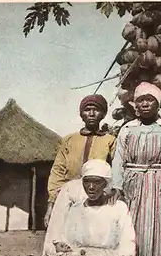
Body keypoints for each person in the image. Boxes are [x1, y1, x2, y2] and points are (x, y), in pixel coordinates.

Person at [110, 82, 161, 256]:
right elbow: (118, 160)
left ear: (158, 105)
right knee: (132, 226)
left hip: (158, 183)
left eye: (150, 100)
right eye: (141, 100)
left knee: (157, 227)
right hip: (132, 184)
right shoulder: (128, 128)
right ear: (135, 106)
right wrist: (117, 188)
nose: (145, 104)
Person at [41, 159, 136, 256]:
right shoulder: (76, 209)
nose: (91, 187)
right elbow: (66, 239)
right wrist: (62, 246)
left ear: (106, 183)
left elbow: (128, 241)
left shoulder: (118, 208)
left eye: (96, 182)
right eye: (87, 182)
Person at [44, 94, 116, 228]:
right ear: (81, 114)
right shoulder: (69, 140)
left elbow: (115, 171)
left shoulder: (109, 141)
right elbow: (57, 172)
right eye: (87, 110)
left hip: (98, 197)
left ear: (103, 114)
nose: (92, 113)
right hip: (69, 196)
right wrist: (51, 204)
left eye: (97, 109)